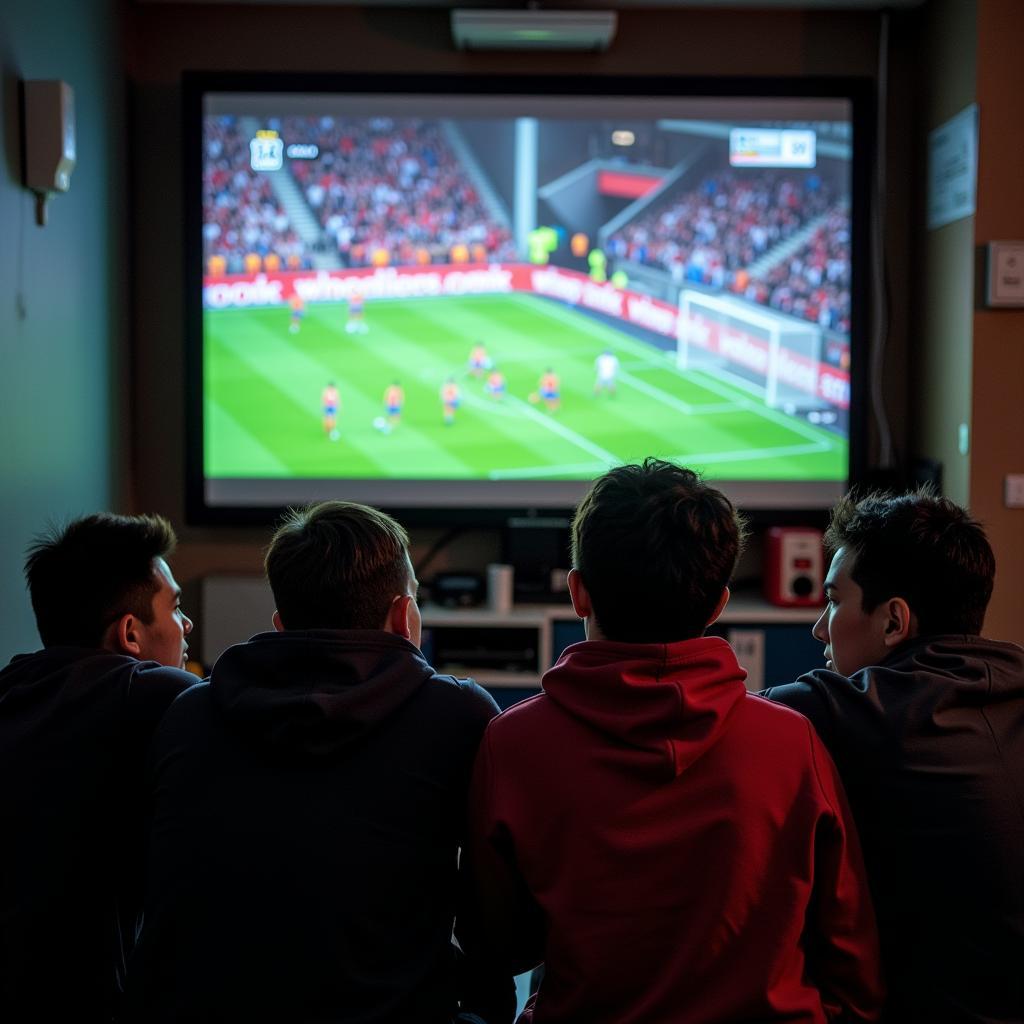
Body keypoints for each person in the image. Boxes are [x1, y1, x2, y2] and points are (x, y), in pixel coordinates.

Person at [463, 459, 883, 1024]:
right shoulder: (793, 741)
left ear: (578, 593)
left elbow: (496, 946)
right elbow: (852, 963)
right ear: (718, 603)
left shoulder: (512, 744)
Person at [125, 501, 510, 1023]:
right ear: (404, 615)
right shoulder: (456, 713)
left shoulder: (189, 713)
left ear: (282, 624)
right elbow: (499, 932)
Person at [762, 491, 1024, 1023]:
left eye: (834, 601)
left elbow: (721, 721)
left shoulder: (852, 711)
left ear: (893, 622)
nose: (819, 628)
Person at [0, 513, 196, 1022]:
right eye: (175, 608)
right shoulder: (149, 692)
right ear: (131, 634)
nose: (187, 625)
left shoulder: (13, 683)